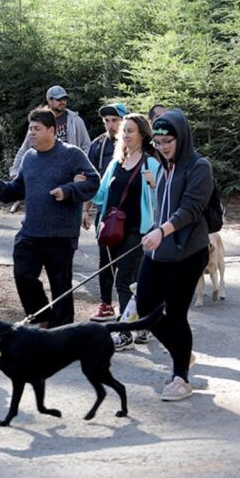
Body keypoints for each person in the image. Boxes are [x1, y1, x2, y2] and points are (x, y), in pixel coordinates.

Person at [0, 107, 100, 327]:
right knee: (23, 275)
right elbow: (18, 189)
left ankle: (64, 331)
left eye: (37, 129)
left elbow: (93, 182)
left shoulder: (72, 154)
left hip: (60, 234)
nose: (31, 133)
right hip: (30, 231)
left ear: (52, 130)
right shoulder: (29, 158)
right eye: (30, 129)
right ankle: (43, 317)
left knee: (61, 285)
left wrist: (67, 191)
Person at [137, 109, 213, 402]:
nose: (164, 146)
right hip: (159, 250)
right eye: (158, 142)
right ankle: (183, 352)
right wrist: (153, 232)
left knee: (176, 313)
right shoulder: (162, 166)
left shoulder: (199, 166)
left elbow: (191, 209)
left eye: (169, 140)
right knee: (145, 309)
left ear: (181, 137)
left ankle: (181, 378)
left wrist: (161, 231)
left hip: (188, 252)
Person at [86, 113, 162, 331]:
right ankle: (145, 324)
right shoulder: (116, 163)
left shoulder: (151, 164)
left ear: (142, 135)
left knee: (124, 281)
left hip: (137, 230)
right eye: (124, 131)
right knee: (135, 282)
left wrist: (154, 185)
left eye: (131, 131)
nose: (126, 135)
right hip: (113, 230)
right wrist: (82, 186)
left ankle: (125, 330)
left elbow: (162, 200)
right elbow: (100, 195)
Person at [10, 85, 92, 179]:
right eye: (59, 99)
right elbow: (25, 149)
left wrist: (82, 168)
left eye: (64, 99)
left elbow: (86, 146)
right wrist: (15, 171)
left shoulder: (75, 121)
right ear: (49, 100)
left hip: (70, 172)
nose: (63, 102)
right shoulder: (39, 122)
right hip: (45, 172)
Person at [87, 103, 127, 175]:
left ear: (124, 121)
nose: (110, 125)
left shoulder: (133, 142)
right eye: (107, 121)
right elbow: (90, 174)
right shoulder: (97, 144)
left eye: (114, 120)